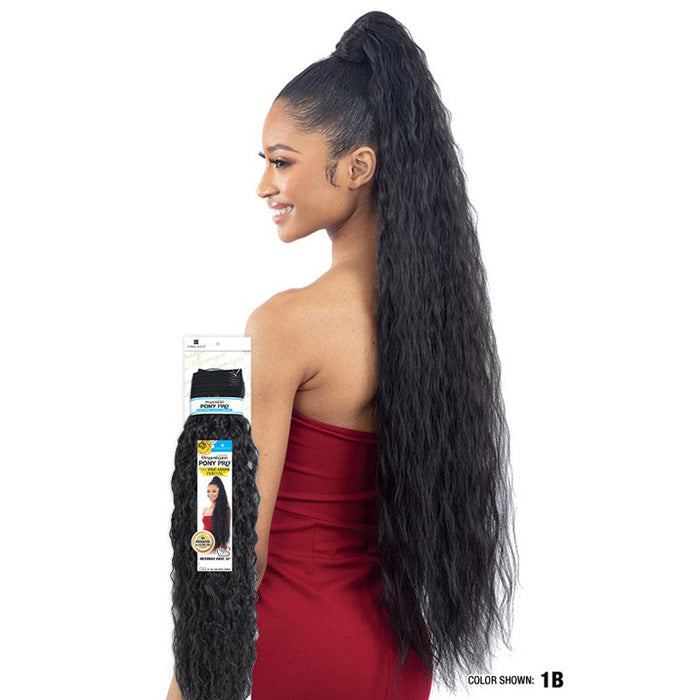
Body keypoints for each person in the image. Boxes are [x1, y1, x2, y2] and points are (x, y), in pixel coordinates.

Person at [167, 10, 517, 700]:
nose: (264, 186)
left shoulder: (282, 326)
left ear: (357, 167)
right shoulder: (443, 329)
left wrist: (187, 687)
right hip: (398, 655)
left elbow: (226, 540)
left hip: (288, 650)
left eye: (281, 162)